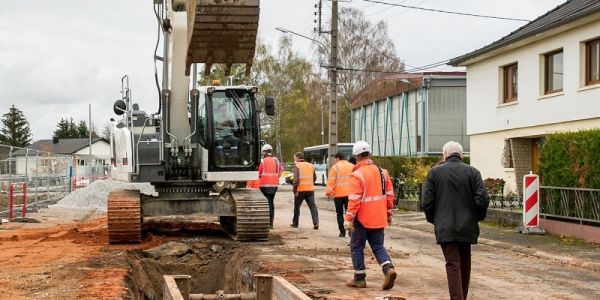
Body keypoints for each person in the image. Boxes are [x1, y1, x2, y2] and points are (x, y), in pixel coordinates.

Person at [420, 141, 490, 300]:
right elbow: (483, 199)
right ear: (462, 155)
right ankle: (462, 296)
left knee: (453, 264)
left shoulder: (434, 173)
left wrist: (435, 219)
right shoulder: (473, 172)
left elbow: (426, 203)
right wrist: (476, 217)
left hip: (445, 226)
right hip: (467, 226)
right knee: (465, 264)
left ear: (444, 155)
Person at [344, 141, 397, 290]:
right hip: (379, 218)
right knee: (378, 246)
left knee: (356, 247)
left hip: (361, 220)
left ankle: (359, 278)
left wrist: (348, 219)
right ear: (370, 154)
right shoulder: (382, 172)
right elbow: (389, 196)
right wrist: (389, 214)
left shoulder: (357, 174)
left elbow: (354, 200)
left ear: (356, 157)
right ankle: (388, 269)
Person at [325, 152, 354, 237]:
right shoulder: (352, 166)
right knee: (349, 213)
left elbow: (331, 181)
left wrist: (328, 193)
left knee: (339, 214)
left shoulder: (335, 168)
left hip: (338, 195)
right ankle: (351, 231)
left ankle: (342, 232)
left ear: (337, 158)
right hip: (350, 194)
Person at [291, 152, 319, 229]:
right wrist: (310, 183)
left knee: (297, 207)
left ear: (297, 158)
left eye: (294, 158)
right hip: (310, 190)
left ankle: (295, 223)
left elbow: (296, 180)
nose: (294, 160)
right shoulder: (311, 166)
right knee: (313, 207)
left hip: (300, 190)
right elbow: (314, 177)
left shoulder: (297, 166)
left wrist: (294, 190)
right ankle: (316, 223)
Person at [258, 144, 281, 228]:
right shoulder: (276, 161)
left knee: (265, 204)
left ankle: (265, 222)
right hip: (274, 186)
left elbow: (259, 173)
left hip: (264, 186)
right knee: (271, 203)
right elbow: (279, 172)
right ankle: (271, 223)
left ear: (264, 152)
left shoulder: (263, 161)